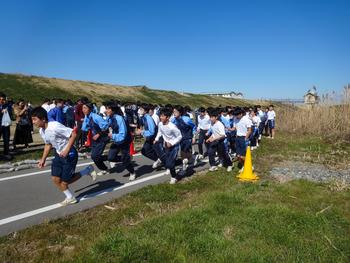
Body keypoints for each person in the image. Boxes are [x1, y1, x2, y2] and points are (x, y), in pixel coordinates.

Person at [31, 107, 95, 206]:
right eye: (32, 119)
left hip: (70, 154)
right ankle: (71, 198)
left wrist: (67, 150)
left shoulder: (54, 126)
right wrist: (43, 159)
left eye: (35, 119)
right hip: (58, 154)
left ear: (43, 119)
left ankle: (87, 170)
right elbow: (48, 144)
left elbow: (73, 134)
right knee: (55, 179)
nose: (33, 122)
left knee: (66, 182)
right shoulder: (41, 131)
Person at [105, 102, 136, 181]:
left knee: (125, 160)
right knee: (110, 157)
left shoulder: (119, 118)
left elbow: (123, 133)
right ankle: (127, 159)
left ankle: (132, 172)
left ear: (113, 110)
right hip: (116, 140)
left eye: (108, 109)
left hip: (124, 140)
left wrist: (113, 135)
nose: (106, 110)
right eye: (106, 108)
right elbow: (107, 125)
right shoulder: (110, 117)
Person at [153, 107, 182, 184]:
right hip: (166, 145)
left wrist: (172, 143)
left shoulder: (172, 127)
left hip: (174, 146)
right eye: (160, 116)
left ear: (168, 117)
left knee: (170, 163)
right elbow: (160, 132)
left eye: (163, 116)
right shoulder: (160, 124)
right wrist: (156, 139)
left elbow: (179, 136)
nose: (160, 117)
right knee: (168, 161)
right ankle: (171, 168)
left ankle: (173, 177)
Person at [82, 102, 110, 176]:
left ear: (90, 109)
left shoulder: (96, 117)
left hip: (102, 138)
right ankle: (105, 169)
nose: (83, 110)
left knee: (95, 156)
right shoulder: (87, 117)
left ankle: (114, 158)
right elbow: (85, 128)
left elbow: (106, 126)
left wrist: (98, 134)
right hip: (95, 139)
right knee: (94, 156)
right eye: (82, 108)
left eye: (85, 108)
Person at [171, 105, 196, 173]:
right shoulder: (173, 120)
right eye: (173, 112)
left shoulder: (186, 119)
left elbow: (193, 127)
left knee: (183, 152)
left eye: (175, 112)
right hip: (180, 138)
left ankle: (184, 167)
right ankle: (192, 158)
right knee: (185, 153)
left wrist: (194, 136)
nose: (174, 113)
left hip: (187, 137)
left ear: (180, 112)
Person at [0, 93, 11, 160]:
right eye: (0, 99)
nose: (2, 101)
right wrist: (1, 112)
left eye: (3, 99)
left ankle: (6, 153)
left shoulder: (7, 105)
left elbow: (11, 112)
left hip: (5, 125)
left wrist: (7, 111)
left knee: (6, 139)